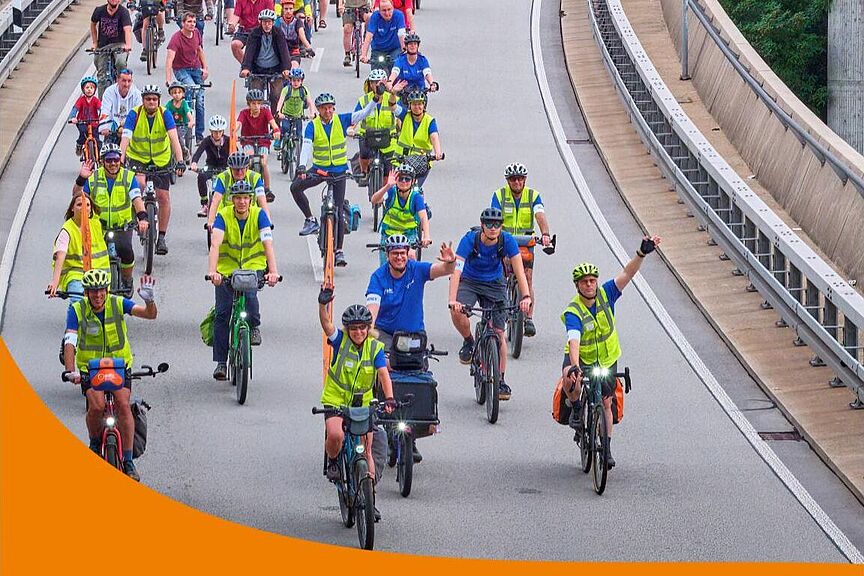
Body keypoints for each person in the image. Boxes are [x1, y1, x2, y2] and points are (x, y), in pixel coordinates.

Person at [557, 236, 661, 468]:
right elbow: (573, 340)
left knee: (606, 403)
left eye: (592, 280)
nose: (589, 285)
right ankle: (575, 410)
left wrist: (641, 254)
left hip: (606, 359)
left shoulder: (606, 294)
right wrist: (574, 366)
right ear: (577, 286)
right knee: (569, 378)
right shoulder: (573, 310)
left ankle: (607, 447)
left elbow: (627, 274)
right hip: (581, 358)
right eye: (584, 282)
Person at [62, 269, 158, 481]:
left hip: (119, 366)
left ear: (106, 290)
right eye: (92, 292)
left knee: (123, 405)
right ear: (86, 293)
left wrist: (150, 301)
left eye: (100, 291)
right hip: (91, 368)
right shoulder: (77, 310)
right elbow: (70, 341)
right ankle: (95, 445)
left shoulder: (118, 303)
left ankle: (129, 460)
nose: (97, 296)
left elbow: (149, 315)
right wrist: (71, 371)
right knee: (96, 406)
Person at [316, 288, 395, 515]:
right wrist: (322, 305)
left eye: (362, 328)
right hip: (336, 401)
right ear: (348, 329)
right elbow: (326, 325)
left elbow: (383, 374)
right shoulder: (340, 341)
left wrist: (388, 398)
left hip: (363, 404)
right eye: (354, 328)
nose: (358, 332)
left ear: (368, 329)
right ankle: (333, 462)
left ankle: (370, 501)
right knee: (336, 435)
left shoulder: (375, 348)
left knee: (367, 450)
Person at [290, 91, 381, 267]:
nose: (328, 111)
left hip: (339, 172)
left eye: (331, 108)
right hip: (320, 171)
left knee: (338, 211)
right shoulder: (313, 126)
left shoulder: (341, 120)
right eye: (324, 108)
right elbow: (306, 146)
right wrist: (302, 166)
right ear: (318, 109)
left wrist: (375, 100)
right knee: (295, 187)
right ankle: (310, 219)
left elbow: (363, 113)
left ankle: (338, 250)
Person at [448, 208, 531, 401]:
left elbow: (519, 270)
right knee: (458, 313)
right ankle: (469, 341)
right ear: (482, 225)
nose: (493, 228)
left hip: (495, 283)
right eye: (489, 224)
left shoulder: (507, 240)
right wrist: (453, 300)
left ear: (501, 226)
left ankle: (500, 379)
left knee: (499, 334)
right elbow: (457, 270)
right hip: (469, 281)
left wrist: (525, 296)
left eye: (497, 225)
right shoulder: (470, 240)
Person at [207, 181, 280, 380]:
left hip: (252, 267)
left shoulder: (259, 215)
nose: (241, 202)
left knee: (251, 299)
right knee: (222, 314)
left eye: (245, 198)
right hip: (226, 271)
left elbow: (268, 244)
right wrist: (213, 273)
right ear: (232, 200)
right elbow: (215, 244)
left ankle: (254, 326)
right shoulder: (224, 216)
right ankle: (221, 363)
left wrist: (272, 272)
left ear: (250, 199)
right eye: (238, 198)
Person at [119, 84, 186, 256]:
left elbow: (174, 138)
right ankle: (138, 214)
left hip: (161, 160)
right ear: (143, 101)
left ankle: (161, 237)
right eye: (148, 99)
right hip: (138, 158)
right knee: (139, 184)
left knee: (163, 197)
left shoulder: (165, 114)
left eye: (154, 99)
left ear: (158, 101)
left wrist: (180, 160)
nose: (151, 102)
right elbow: (126, 137)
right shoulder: (135, 114)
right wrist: (121, 157)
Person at [72, 143, 149, 291]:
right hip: (98, 227)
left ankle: (127, 279)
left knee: (126, 250)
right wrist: (81, 178)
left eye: (116, 159)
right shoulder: (94, 178)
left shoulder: (128, 177)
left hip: (123, 225)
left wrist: (143, 218)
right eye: (109, 160)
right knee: (92, 256)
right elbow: (77, 196)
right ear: (102, 162)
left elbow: (137, 200)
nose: (113, 163)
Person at [490, 163, 552, 337]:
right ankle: (499, 310)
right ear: (508, 181)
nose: (516, 182)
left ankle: (528, 318)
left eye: (520, 179)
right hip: (505, 241)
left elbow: (540, 215)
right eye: (513, 179)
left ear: (524, 180)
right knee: (500, 276)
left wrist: (545, 234)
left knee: (527, 277)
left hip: (525, 242)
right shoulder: (499, 195)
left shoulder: (533, 196)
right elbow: (494, 216)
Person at [47, 193, 111, 304]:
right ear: (72, 208)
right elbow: (60, 256)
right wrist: (55, 282)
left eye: (87, 205)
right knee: (78, 303)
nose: (84, 208)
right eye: (79, 204)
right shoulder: (67, 230)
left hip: (99, 276)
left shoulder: (96, 224)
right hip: (76, 275)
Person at [369, 164, 429, 265]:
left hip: (408, 235)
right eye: (400, 179)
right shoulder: (391, 192)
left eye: (407, 179)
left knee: (410, 258)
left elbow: (423, 217)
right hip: (389, 234)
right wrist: (388, 185)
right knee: (385, 268)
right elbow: (374, 200)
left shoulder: (416, 197)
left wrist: (426, 236)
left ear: (413, 181)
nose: (404, 182)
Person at [165, 11, 209, 142]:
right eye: (189, 22)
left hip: (195, 68)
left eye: (194, 22)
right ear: (182, 23)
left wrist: (205, 68)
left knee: (200, 101)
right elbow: (169, 60)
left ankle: (199, 135)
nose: (192, 24)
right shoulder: (176, 38)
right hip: (181, 70)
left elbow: (200, 50)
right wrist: (168, 79)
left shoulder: (196, 34)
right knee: (189, 88)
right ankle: (185, 121)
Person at [240, 9, 292, 115]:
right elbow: (249, 52)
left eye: (269, 22)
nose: (267, 25)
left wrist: (286, 68)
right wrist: (246, 68)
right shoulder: (254, 34)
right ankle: (256, 123)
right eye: (264, 22)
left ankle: (276, 126)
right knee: (255, 96)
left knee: (277, 96)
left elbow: (284, 52)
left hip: (275, 69)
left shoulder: (278, 33)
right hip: (258, 69)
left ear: (273, 23)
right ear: (260, 23)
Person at [207, 150, 271, 235]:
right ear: (230, 168)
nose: (239, 172)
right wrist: (211, 221)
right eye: (236, 170)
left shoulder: (255, 177)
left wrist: (268, 221)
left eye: (242, 169)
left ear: (247, 168)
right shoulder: (223, 177)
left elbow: (262, 200)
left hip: (249, 214)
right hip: (228, 215)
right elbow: (215, 199)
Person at [352, 68, 399, 180]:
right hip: (368, 136)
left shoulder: (393, 98)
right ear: (370, 84)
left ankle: (384, 193)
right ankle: (364, 172)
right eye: (374, 82)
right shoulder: (364, 100)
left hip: (388, 138)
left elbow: (399, 116)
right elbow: (355, 117)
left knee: (388, 172)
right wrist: (352, 129)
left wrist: (400, 131)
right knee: (364, 154)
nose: (377, 84)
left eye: (380, 82)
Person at [236, 89, 281, 202]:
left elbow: (272, 122)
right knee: (248, 160)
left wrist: (276, 130)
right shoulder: (244, 113)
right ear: (249, 104)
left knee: (263, 162)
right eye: (253, 103)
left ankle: (267, 188)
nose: (256, 106)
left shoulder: (265, 111)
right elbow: (238, 124)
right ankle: (243, 184)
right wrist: (233, 133)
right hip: (247, 141)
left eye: (258, 103)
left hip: (263, 141)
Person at [395, 89, 442, 188]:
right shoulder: (405, 115)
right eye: (414, 104)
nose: (417, 107)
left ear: (424, 105)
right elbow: (393, 107)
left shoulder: (430, 121)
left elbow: (434, 136)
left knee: (416, 189)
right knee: (397, 188)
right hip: (402, 160)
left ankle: (420, 202)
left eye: (419, 104)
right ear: (410, 105)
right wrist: (392, 93)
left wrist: (438, 152)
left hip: (421, 162)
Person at [90, 0, 132, 98]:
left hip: (119, 45)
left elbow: (127, 29)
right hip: (103, 46)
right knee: (101, 75)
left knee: (120, 63)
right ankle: (101, 104)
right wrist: (95, 43)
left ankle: (124, 92)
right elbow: (93, 24)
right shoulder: (99, 10)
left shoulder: (123, 12)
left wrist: (128, 45)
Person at [191, 115, 231, 217]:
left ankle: (230, 203)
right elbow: (198, 153)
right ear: (210, 131)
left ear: (223, 131)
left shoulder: (228, 140)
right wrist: (194, 163)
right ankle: (205, 204)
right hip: (211, 165)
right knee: (201, 176)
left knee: (232, 181)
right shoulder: (207, 141)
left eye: (219, 132)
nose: (217, 134)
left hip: (225, 167)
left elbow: (236, 153)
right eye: (215, 132)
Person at [274, 67, 315, 151]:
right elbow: (280, 101)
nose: (296, 83)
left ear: (301, 81)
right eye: (294, 80)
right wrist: (278, 112)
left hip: (298, 116)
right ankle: (279, 140)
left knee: (299, 134)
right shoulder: (286, 90)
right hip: (286, 115)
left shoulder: (304, 90)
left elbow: (310, 102)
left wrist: (312, 113)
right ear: (290, 80)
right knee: (285, 128)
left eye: (298, 80)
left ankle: (298, 152)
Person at [99, 68, 141, 144]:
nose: (126, 84)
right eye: (124, 81)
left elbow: (139, 113)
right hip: (112, 129)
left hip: (130, 130)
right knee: (107, 152)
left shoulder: (137, 94)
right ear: (117, 80)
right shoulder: (109, 92)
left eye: (129, 81)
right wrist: (104, 127)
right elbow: (105, 110)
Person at [360, 0, 404, 69]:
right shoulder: (375, 17)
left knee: (397, 69)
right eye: (384, 10)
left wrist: (405, 52)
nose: (387, 13)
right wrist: (364, 54)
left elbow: (402, 35)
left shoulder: (399, 15)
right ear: (379, 11)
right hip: (378, 50)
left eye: (389, 10)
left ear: (393, 8)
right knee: (376, 74)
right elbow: (369, 36)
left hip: (395, 49)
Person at [388, 32, 434, 97]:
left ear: (418, 46)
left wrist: (432, 83)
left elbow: (427, 74)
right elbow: (395, 72)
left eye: (415, 44)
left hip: (419, 93)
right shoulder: (400, 60)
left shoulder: (422, 60)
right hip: (403, 92)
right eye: (410, 44)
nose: (413, 46)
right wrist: (390, 82)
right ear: (406, 46)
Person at [68, 77, 103, 157]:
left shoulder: (95, 100)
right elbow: (75, 108)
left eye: (91, 88)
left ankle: (100, 157)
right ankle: (79, 145)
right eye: (87, 87)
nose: (89, 90)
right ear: (83, 89)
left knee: (97, 140)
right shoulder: (81, 100)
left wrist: (103, 116)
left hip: (94, 123)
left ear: (94, 90)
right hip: (82, 122)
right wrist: (73, 117)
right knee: (83, 134)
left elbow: (101, 108)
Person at [275, 3, 313, 68]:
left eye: (290, 9)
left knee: (293, 71)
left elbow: (302, 36)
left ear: (293, 10)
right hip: (280, 53)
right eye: (286, 9)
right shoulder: (278, 21)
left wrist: (308, 47)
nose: (288, 11)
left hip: (293, 53)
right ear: (283, 10)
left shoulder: (298, 21)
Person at [165, 82, 194, 161]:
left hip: (183, 125)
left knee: (179, 138)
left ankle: (185, 151)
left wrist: (191, 121)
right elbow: (164, 113)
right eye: (174, 93)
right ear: (171, 94)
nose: (177, 94)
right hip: (172, 125)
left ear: (183, 94)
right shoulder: (169, 104)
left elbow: (188, 113)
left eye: (179, 92)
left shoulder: (184, 103)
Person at [339, 0, 369, 67]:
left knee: (369, 17)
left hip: (363, 6)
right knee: (347, 29)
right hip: (349, 7)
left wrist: (373, 5)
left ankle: (366, 35)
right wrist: (340, 5)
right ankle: (347, 54)